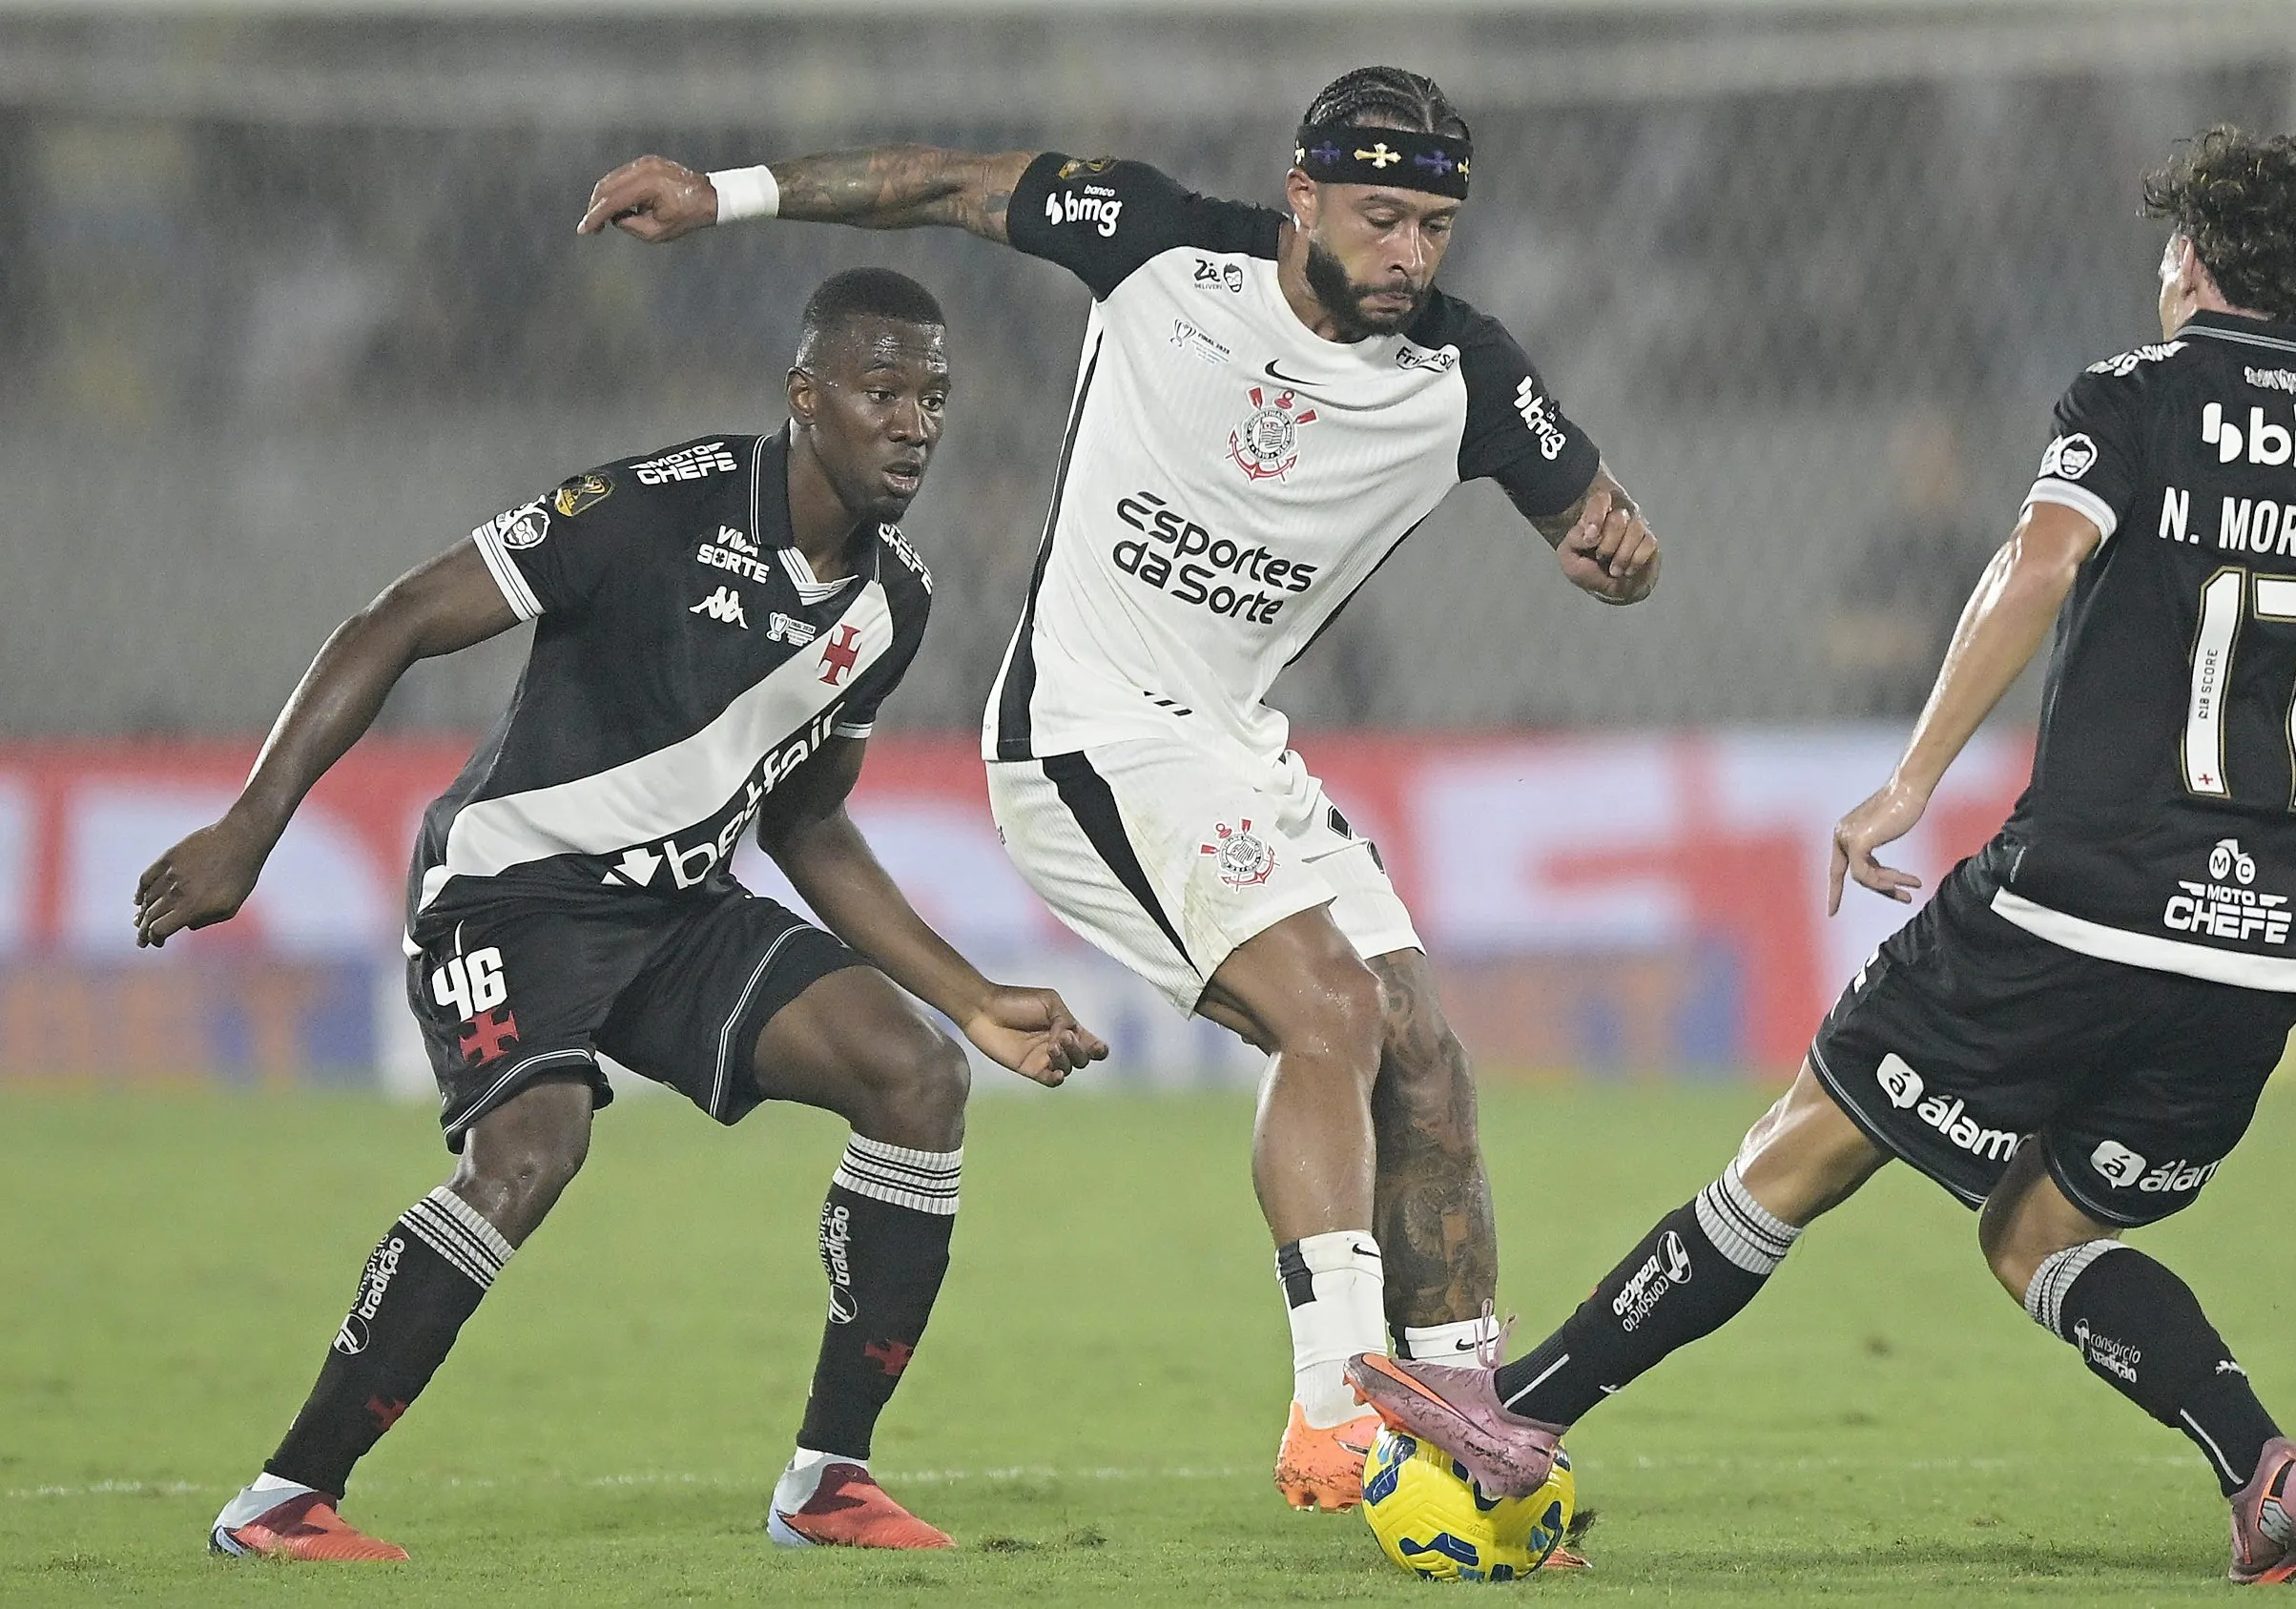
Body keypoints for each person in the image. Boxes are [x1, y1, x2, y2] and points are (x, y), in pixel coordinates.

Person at [1347, 127, 2296, 1585]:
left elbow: (2036, 561)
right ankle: (2264, 1466)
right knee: (2040, 1230)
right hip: (2274, 944)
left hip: (2084, 897)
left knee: (1801, 1145)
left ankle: (1515, 1419)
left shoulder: (2134, 399)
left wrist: (1906, 783)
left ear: (2194, 263)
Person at [579, 66, 1662, 1513]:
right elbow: (950, 182)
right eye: (1382, 215)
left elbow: (1591, 519)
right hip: (1083, 733)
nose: (1411, 251)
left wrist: (1613, 551)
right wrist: (730, 194)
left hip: (1232, 744)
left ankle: (1471, 1426)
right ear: (1303, 198)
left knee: (1427, 1055)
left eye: (1436, 227)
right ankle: (1336, 1408)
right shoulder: (1156, 246)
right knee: (1330, 1009)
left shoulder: (1467, 375)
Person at [136, 269, 1107, 1561]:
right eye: (881, 391)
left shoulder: (895, 605)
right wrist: (252, 828)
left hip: (676, 915)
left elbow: (807, 823)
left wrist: (972, 996)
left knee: (915, 1073)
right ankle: (283, 1498)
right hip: (510, 892)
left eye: (933, 395)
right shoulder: (658, 504)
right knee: (532, 1152)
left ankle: (829, 1478)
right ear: (804, 397)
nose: (916, 421)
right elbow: (405, 614)